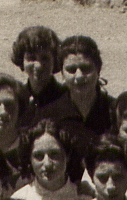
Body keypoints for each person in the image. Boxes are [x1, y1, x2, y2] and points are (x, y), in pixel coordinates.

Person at [34, 34, 116, 165]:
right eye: (71, 70)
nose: (79, 76)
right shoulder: (48, 114)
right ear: (62, 73)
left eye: (86, 68)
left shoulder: (115, 110)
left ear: (98, 70)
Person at [14, 119, 86, 200]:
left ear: (67, 155)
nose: (47, 164)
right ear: (30, 159)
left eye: (54, 154)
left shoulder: (84, 198)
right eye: (38, 156)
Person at [13, 25, 66, 113]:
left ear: (55, 59)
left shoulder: (66, 97)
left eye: (45, 58)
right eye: (31, 58)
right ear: (21, 60)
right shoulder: (17, 100)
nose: (38, 65)